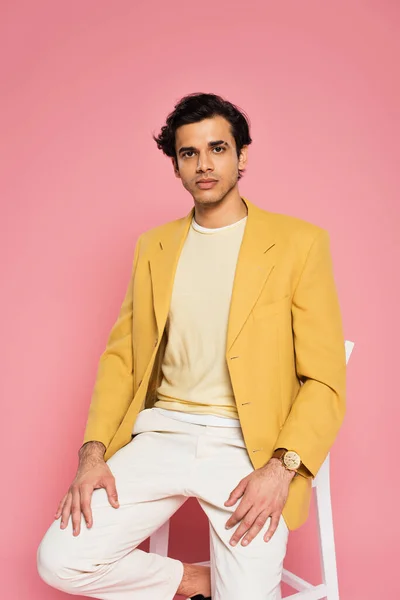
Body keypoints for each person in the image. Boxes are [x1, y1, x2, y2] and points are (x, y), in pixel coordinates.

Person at [36, 92, 346, 600]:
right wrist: (91, 455)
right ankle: (191, 582)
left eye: (218, 149)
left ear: (242, 156)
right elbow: (123, 359)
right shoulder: (153, 246)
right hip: (162, 434)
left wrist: (280, 468)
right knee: (60, 561)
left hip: (248, 447)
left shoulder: (299, 243)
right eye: (189, 153)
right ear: (176, 167)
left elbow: (325, 379)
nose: (204, 164)